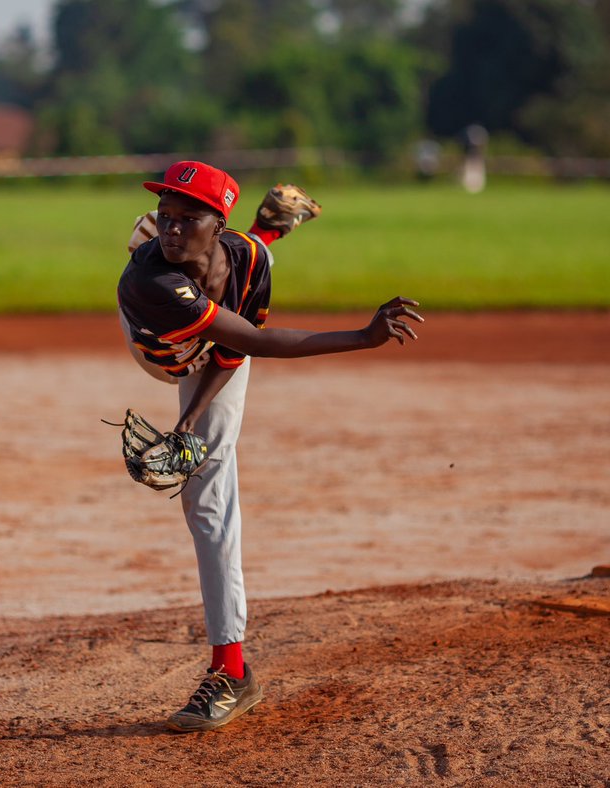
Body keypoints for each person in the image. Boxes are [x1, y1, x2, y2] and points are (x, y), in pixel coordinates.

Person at [117, 161, 423, 732]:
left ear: (218, 222)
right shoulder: (150, 281)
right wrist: (360, 336)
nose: (172, 226)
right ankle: (268, 224)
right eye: (166, 215)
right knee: (148, 248)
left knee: (205, 502)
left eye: (188, 217)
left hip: (216, 339)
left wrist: (191, 424)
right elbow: (251, 338)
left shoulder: (246, 261)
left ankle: (231, 672)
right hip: (160, 349)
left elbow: (237, 351)